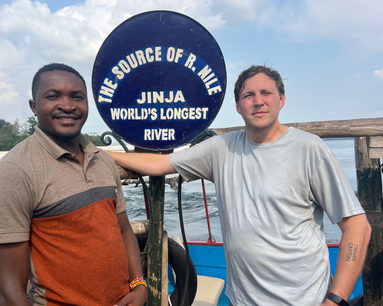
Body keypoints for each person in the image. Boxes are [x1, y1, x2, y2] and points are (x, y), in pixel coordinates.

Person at [109, 65, 371, 306]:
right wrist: (101, 154)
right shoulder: (221, 148)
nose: (258, 101)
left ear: (281, 99)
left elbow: (357, 226)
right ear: (237, 105)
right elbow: (160, 164)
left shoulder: (309, 148)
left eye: (266, 93)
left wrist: (336, 300)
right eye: (249, 95)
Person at [0, 63, 147, 306]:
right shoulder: (14, 173)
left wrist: (139, 285)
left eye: (77, 97)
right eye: (53, 96)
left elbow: (123, 230)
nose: (67, 106)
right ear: (34, 107)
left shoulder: (103, 161)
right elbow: (8, 293)